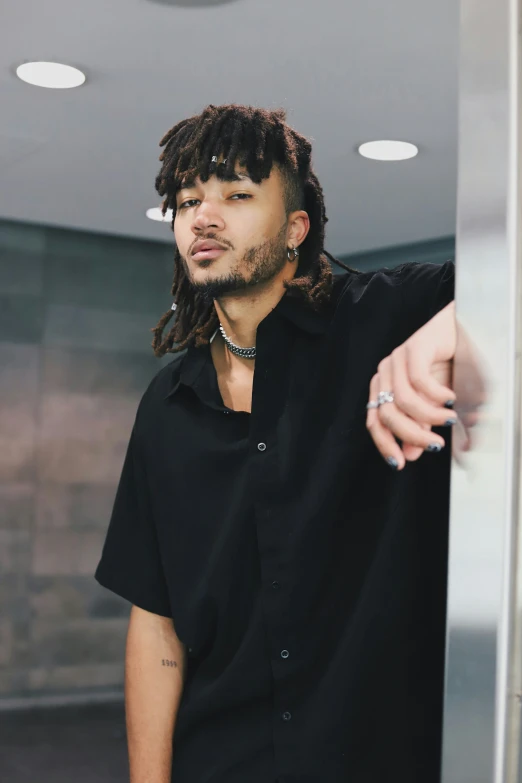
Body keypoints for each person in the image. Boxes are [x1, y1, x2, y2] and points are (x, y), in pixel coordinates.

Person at [94, 104, 458, 783]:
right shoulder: (168, 406)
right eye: (187, 200)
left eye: (236, 194)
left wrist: (447, 331)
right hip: (222, 762)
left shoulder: (384, 319)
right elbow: (157, 626)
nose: (204, 216)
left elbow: (509, 277)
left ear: (296, 228)